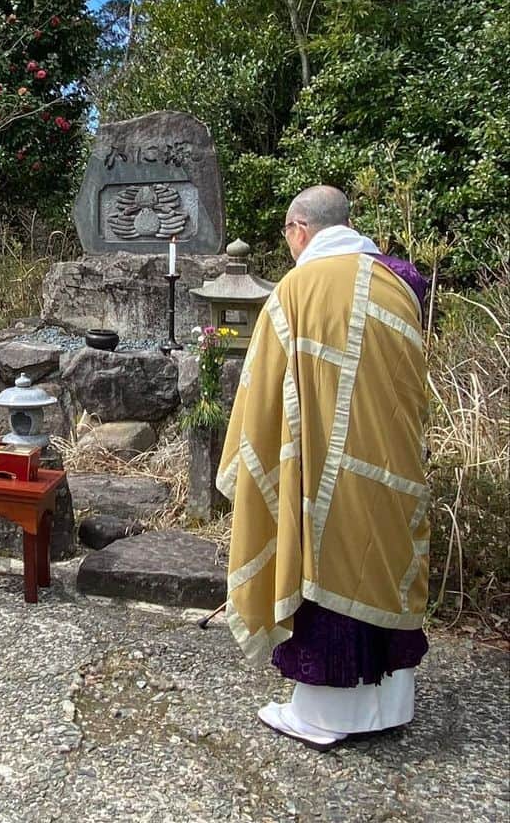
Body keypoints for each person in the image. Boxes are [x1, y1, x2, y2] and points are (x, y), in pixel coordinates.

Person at [217, 185, 430, 749]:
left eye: (288, 237)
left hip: (325, 477)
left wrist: (249, 456)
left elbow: (262, 393)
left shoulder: (297, 288)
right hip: (395, 467)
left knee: (327, 565)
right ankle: (390, 705)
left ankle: (322, 717)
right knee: (382, 566)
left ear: (299, 229)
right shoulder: (400, 281)